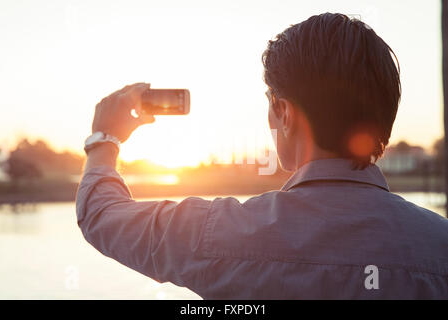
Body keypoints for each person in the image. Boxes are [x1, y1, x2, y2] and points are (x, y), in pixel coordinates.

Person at [76, 13, 448, 299]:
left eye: (271, 103)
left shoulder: (223, 234)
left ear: (284, 113)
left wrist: (104, 139)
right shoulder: (439, 245)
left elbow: (101, 215)